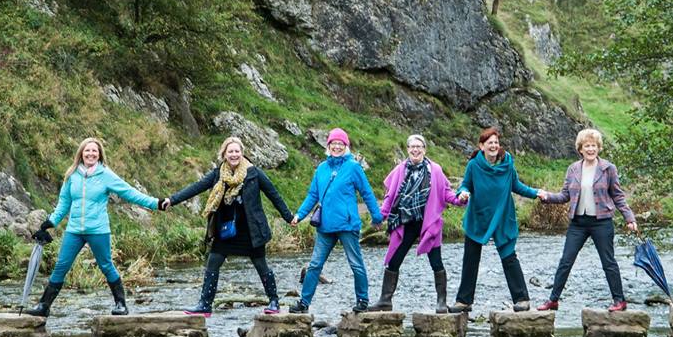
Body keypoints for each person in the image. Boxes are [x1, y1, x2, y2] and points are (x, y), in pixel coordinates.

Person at [27, 137, 161, 317]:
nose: (90, 153)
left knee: (106, 265)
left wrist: (155, 203)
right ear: (81, 153)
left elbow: (129, 192)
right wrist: (50, 223)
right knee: (61, 266)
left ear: (99, 154)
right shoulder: (72, 175)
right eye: (87, 150)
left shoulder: (106, 175)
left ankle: (121, 304)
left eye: (94, 151)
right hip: (74, 231)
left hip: (98, 230)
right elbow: (64, 203)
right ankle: (44, 306)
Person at [161, 136, 294, 316]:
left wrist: (289, 217)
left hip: (251, 230)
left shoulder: (254, 173)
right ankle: (205, 305)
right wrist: (172, 200)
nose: (234, 154)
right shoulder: (218, 175)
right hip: (226, 230)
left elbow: (274, 195)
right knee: (212, 263)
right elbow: (196, 187)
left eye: (237, 151)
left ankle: (274, 301)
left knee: (261, 265)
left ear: (242, 153)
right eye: (230, 151)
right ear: (224, 154)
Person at [535, 128, 638, 312]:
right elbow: (565, 195)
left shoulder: (608, 168)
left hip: (602, 222)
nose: (591, 149)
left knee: (608, 262)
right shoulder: (573, 169)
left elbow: (618, 196)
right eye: (587, 146)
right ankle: (553, 300)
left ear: (599, 148)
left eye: (594, 146)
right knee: (566, 261)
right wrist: (547, 197)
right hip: (578, 223)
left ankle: (619, 301)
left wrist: (629, 218)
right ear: (580, 149)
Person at [289, 128, 383, 313]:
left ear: (346, 146)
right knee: (315, 265)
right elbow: (313, 195)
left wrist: (376, 216)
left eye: (341, 144)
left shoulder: (353, 167)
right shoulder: (321, 168)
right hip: (325, 226)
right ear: (328, 145)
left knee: (355, 264)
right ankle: (304, 303)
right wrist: (299, 215)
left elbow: (366, 192)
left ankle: (362, 301)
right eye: (334, 143)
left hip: (347, 225)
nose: (337, 147)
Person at [449, 127, 541, 313]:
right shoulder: (473, 165)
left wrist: (536, 193)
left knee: (509, 256)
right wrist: (463, 193)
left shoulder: (507, 165)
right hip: (478, 216)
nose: (493, 146)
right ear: (481, 146)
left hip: (502, 216)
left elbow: (517, 186)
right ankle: (464, 301)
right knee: (470, 259)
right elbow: (465, 185)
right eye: (489, 143)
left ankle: (522, 299)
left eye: (496, 143)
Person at [370, 134, 465, 313]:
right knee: (394, 261)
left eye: (419, 147)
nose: (415, 150)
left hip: (429, 223)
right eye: (412, 147)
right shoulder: (400, 170)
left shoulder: (435, 170)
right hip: (405, 223)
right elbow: (390, 197)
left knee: (436, 262)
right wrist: (380, 216)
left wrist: (460, 199)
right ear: (407, 149)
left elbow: (446, 193)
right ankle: (385, 300)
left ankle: (441, 302)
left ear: (424, 150)